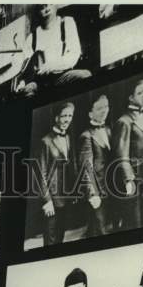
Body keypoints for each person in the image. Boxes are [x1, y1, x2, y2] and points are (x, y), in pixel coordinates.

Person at [17, 4, 91, 98]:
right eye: (42, 7)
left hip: (62, 76)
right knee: (27, 91)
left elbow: (74, 55)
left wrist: (51, 67)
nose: (47, 9)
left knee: (84, 75)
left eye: (50, 4)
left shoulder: (66, 23)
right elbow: (26, 68)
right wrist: (22, 83)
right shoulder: (32, 37)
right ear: (38, 12)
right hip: (40, 82)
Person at [112, 79, 143, 232]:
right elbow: (121, 154)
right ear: (130, 97)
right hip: (133, 178)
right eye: (140, 92)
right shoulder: (124, 121)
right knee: (133, 222)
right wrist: (129, 180)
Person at [37, 101, 78, 247]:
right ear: (56, 118)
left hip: (64, 199)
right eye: (64, 116)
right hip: (51, 201)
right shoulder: (45, 142)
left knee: (59, 238)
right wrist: (46, 200)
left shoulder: (67, 138)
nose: (67, 119)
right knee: (50, 240)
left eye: (70, 116)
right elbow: (39, 174)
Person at [77, 92, 112, 237]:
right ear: (90, 114)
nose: (104, 111)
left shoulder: (110, 129)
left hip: (112, 188)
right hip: (98, 189)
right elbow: (86, 167)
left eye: (106, 107)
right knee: (101, 229)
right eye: (99, 108)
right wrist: (92, 194)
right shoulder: (86, 136)